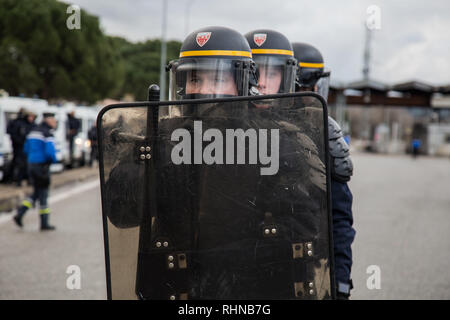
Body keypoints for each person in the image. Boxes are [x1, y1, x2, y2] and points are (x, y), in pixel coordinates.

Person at [101, 27, 332, 300]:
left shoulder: (280, 141)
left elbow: (308, 237)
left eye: (218, 79)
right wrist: (148, 164)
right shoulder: (163, 138)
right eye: (195, 79)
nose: (202, 90)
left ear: (243, 82)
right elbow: (120, 212)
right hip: (176, 290)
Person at [292, 42, 356, 299]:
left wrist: (340, 282)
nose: (311, 93)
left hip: (306, 268)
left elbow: (339, 220)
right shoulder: (246, 127)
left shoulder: (324, 133)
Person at [13, 113, 58, 231]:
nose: (56, 123)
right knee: (43, 194)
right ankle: (44, 223)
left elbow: (26, 149)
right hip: (42, 167)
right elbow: (50, 153)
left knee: (36, 192)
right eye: (54, 121)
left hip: (31, 165)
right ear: (49, 121)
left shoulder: (33, 131)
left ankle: (20, 213)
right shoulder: (47, 133)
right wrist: (53, 161)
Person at [6, 108, 36, 186]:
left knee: (28, 164)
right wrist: (20, 142)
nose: (31, 118)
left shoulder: (33, 125)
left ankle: (29, 180)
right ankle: (16, 180)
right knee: (19, 164)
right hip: (19, 147)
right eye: (30, 116)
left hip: (29, 148)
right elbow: (13, 134)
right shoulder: (19, 123)